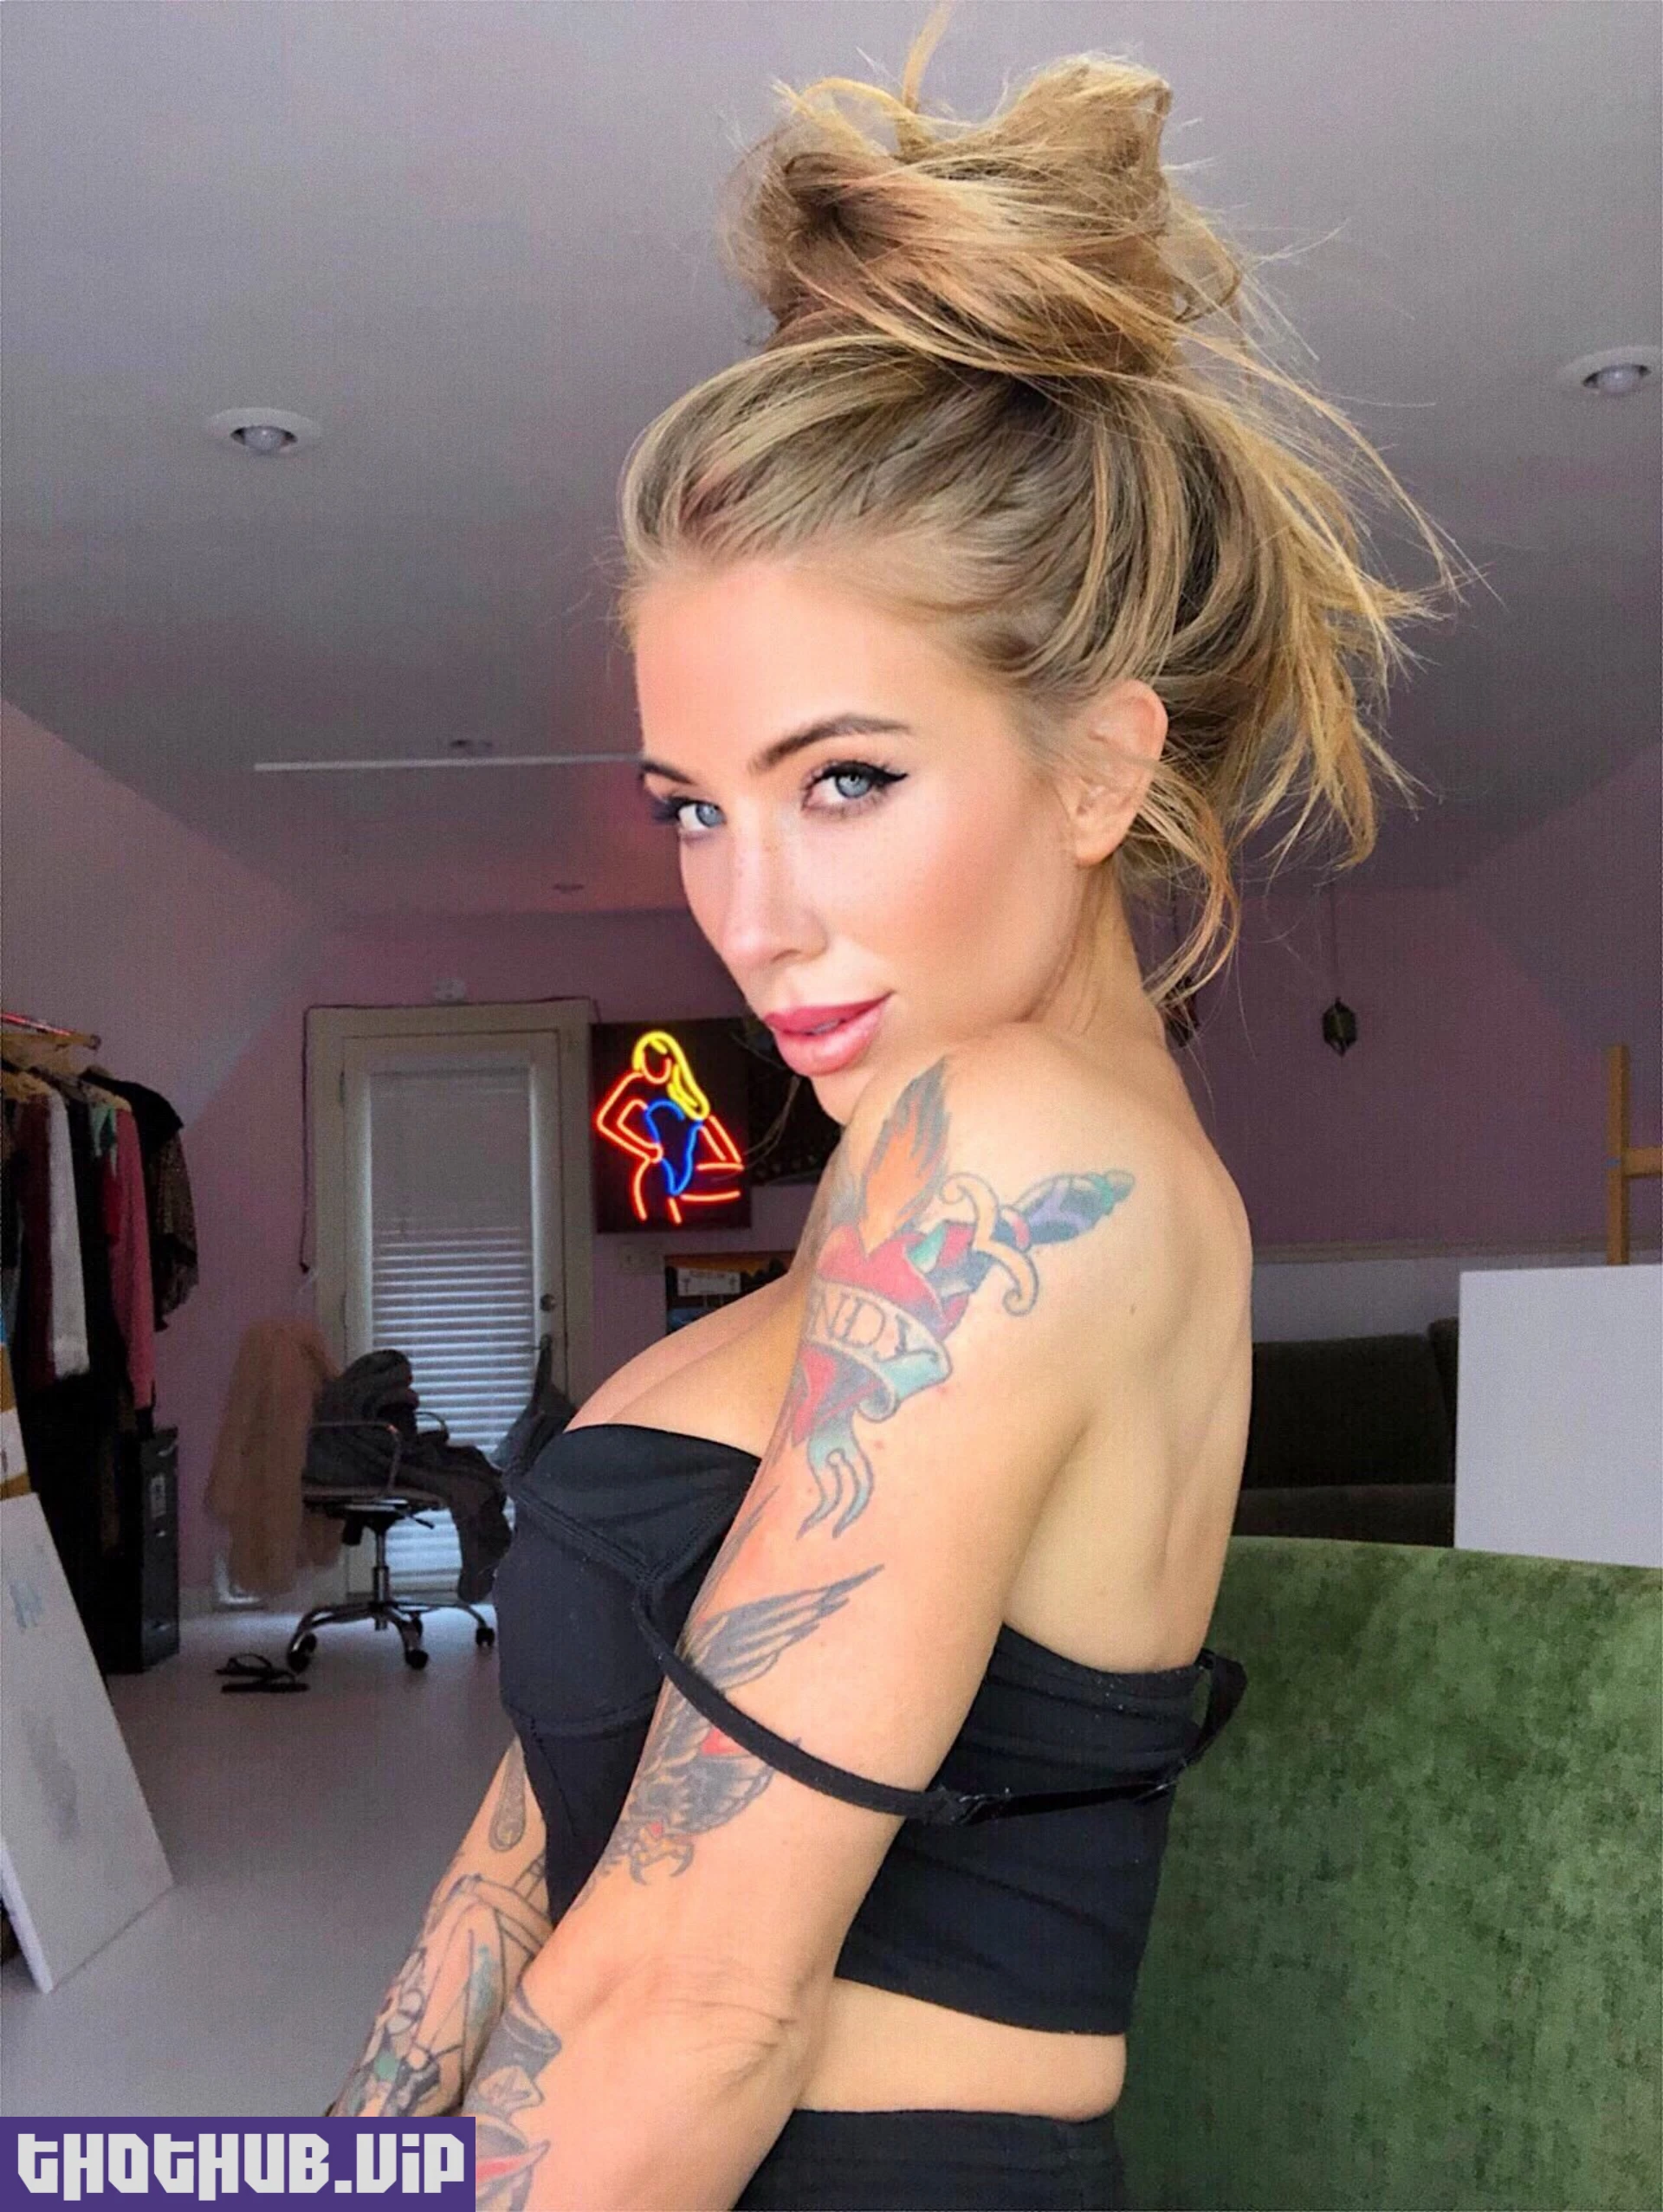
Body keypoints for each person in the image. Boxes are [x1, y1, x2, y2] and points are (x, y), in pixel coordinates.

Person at [328, 13, 1466, 2205]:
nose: (749, 919)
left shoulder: (1033, 1158)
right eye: (694, 806)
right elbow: (545, 1843)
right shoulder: (917, 1166)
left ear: (1099, 765)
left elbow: (699, 1995)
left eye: (845, 778)